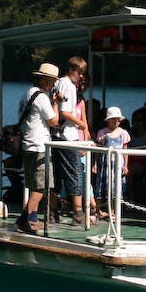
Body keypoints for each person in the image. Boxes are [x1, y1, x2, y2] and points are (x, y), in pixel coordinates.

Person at [16, 63, 61, 235]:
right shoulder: (42, 97)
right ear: (46, 80)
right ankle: (24, 219)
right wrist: (55, 104)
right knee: (41, 186)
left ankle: (29, 218)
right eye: (52, 82)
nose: (53, 85)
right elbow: (53, 121)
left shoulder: (27, 93)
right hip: (39, 146)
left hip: (27, 144)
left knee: (33, 184)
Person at [52, 56, 90, 224]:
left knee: (56, 175)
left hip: (56, 136)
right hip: (68, 137)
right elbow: (65, 113)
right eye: (81, 73)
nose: (82, 77)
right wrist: (81, 123)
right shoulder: (68, 85)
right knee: (74, 173)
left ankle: (52, 211)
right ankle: (78, 212)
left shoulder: (58, 82)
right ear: (75, 71)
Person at [93, 105, 131, 221]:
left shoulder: (123, 133)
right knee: (101, 186)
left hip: (117, 165)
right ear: (108, 120)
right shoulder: (102, 133)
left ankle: (114, 211)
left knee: (116, 188)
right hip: (105, 165)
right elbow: (98, 151)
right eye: (113, 119)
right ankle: (99, 210)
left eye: (117, 119)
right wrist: (95, 164)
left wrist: (125, 165)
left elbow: (125, 150)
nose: (116, 122)